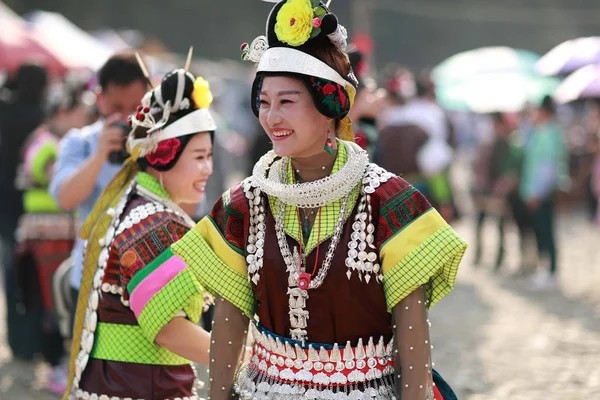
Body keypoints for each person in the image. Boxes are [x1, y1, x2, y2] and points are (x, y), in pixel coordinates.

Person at [150, 2, 467, 398]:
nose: (271, 118)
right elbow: (229, 321)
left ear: (329, 104)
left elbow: (413, 337)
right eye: (264, 102)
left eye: (287, 102)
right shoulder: (243, 205)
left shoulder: (389, 203)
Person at [64, 62, 215, 400]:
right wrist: (251, 356)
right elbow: (169, 329)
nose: (208, 168)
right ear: (164, 156)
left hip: (120, 383)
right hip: (138, 386)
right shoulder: (154, 222)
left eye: (210, 156)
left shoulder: (133, 203)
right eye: (200, 156)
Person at [49, 53, 148, 327]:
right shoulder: (79, 143)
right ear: (100, 98)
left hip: (148, 280)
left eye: (136, 107)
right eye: (117, 107)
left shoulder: (160, 143)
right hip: (90, 278)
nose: (128, 117)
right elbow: (64, 198)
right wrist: (99, 156)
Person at [12, 78, 93, 394]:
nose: (85, 118)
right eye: (80, 111)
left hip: (61, 236)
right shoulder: (45, 142)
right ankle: (59, 366)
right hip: (48, 236)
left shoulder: (55, 140)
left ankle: (63, 365)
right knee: (54, 303)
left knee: (58, 300)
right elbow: (51, 176)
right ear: (62, 111)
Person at [0, 63, 49, 360]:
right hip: (37, 206)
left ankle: (17, 342)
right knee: (35, 271)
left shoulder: (3, 109)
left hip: (5, 202)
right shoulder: (42, 115)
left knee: (10, 270)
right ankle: (35, 341)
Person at [520, 96, 568, 288]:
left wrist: (537, 193)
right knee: (541, 230)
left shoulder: (550, 133)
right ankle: (545, 268)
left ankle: (550, 270)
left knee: (546, 230)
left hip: (541, 192)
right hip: (535, 191)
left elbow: (547, 168)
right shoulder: (540, 131)